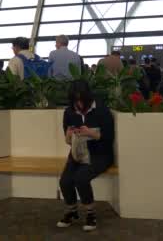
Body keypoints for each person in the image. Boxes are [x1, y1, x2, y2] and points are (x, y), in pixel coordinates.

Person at [57, 80, 115, 232]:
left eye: (82, 100)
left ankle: (90, 214)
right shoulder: (69, 112)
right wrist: (69, 136)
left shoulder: (101, 110)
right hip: (78, 153)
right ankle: (72, 210)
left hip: (100, 154)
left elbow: (109, 137)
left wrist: (91, 133)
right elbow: (68, 141)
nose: (80, 104)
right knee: (65, 180)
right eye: (76, 101)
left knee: (81, 178)